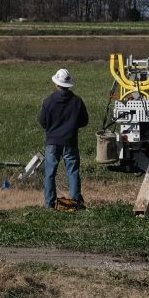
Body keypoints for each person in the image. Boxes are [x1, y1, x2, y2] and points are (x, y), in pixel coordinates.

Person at [39, 67, 88, 210]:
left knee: (50, 173)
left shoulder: (48, 101)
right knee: (72, 172)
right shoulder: (77, 101)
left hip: (52, 142)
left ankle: (49, 204)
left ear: (56, 84)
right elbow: (84, 121)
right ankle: (75, 202)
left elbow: (42, 122)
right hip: (70, 141)